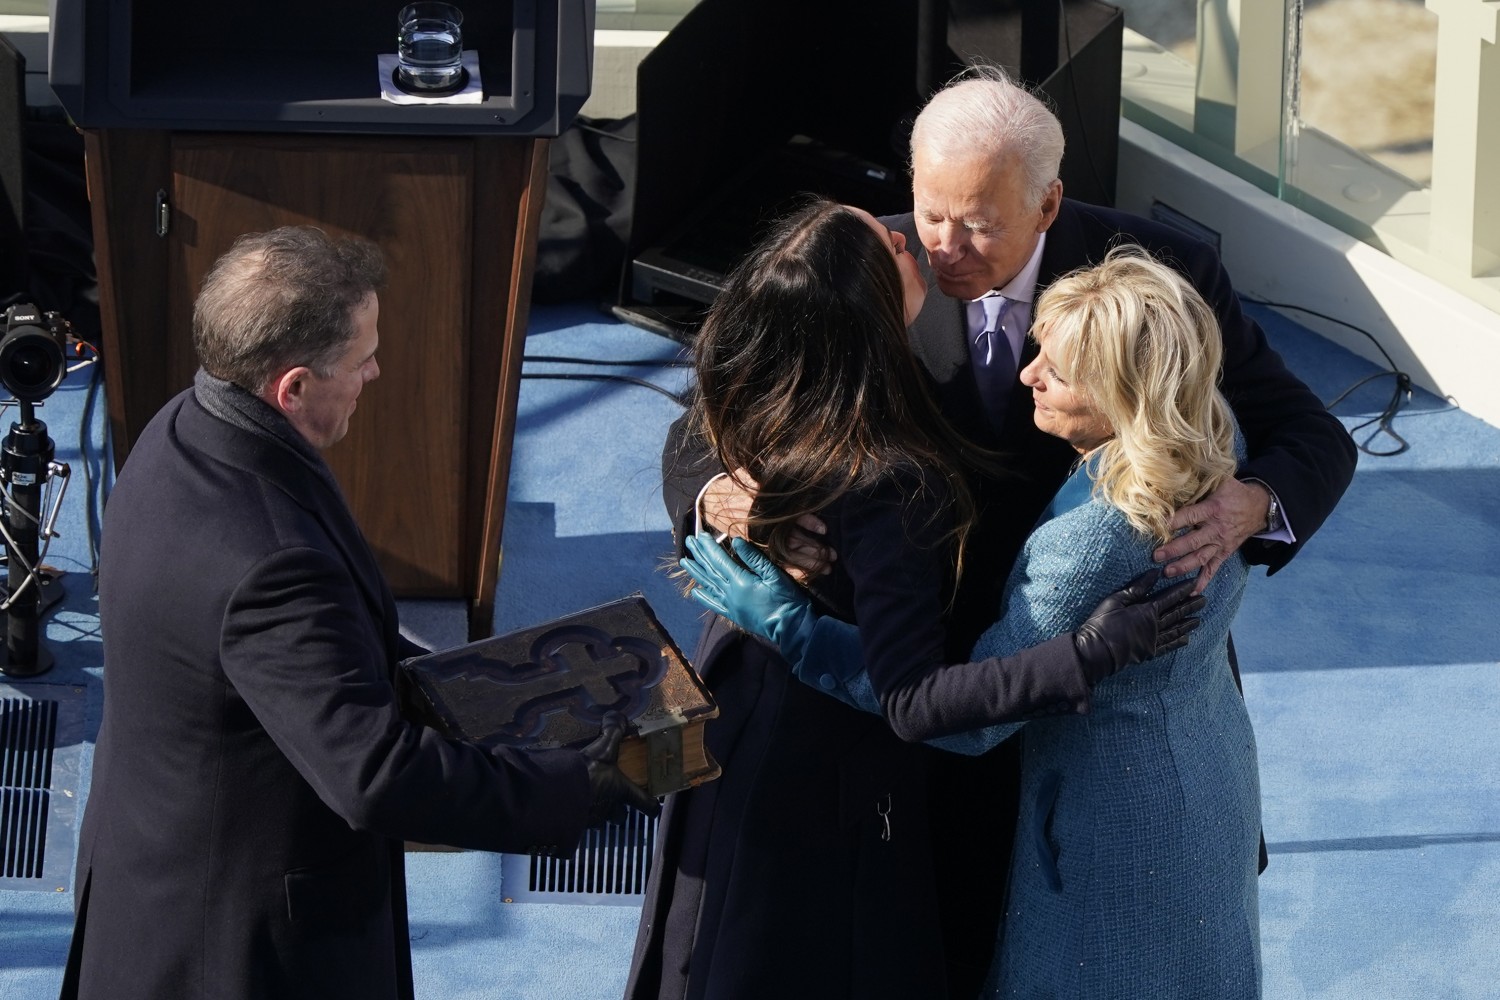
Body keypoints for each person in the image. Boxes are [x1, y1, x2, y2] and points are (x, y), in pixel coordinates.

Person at [677, 66, 1356, 994]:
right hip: (927, 679)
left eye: (980, 225)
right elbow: (712, 408)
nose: (944, 247)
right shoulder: (873, 267)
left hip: (1084, 715)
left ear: (1050, 203)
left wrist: (1250, 504)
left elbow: (1307, 432)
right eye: (930, 214)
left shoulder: (1157, 275)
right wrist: (725, 489)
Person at [59, 226, 657, 1000]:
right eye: (360, 359)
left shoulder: (186, 427)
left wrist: (491, 682)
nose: (375, 370)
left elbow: (323, 649)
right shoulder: (270, 562)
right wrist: (571, 788)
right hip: (241, 946)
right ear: (294, 387)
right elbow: (374, 776)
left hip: (155, 868)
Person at [625, 201, 1203, 1000]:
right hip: (834, 784)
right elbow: (913, 700)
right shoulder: (892, 481)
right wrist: (1090, 653)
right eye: (894, 240)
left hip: (741, 736)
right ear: (863, 302)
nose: (913, 239)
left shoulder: (775, 376)